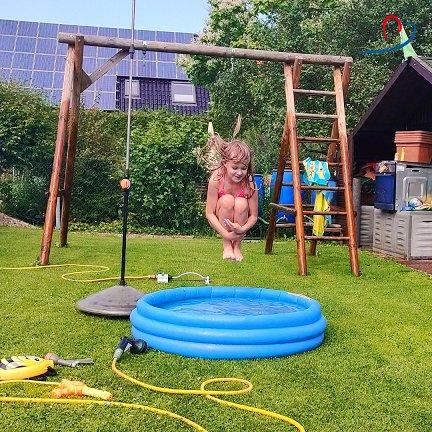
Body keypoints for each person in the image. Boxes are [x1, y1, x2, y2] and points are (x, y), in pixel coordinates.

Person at [205, 135, 258, 261]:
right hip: (220, 215)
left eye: (244, 168)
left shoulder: (249, 183)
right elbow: (209, 213)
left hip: (241, 221)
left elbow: (254, 216)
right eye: (235, 167)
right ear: (225, 163)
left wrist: (242, 229)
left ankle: (237, 246)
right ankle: (227, 245)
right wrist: (227, 235)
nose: (239, 172)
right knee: (227, 200)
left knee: (241, 202)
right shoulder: (216, 179)